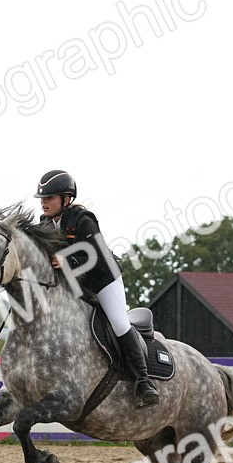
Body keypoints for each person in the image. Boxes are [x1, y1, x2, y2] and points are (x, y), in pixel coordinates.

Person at [34, 169, 158, 408]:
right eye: (42, 198)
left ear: (66, 199)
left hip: (103, 280)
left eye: (49, 197)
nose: (43, 203)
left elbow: (96, 256)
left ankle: (144, 382)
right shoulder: (44, 223)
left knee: (119, 322)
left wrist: (67, 261)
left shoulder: (83, 220)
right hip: (75, 285)